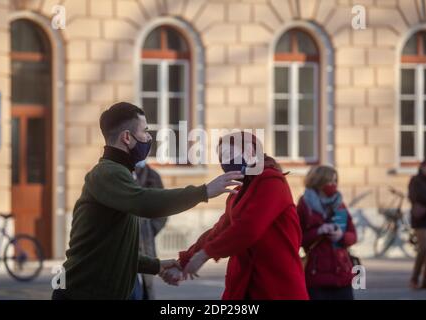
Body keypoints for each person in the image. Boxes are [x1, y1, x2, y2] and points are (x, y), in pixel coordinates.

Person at [51, 102, 243, 300]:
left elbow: (110, 251)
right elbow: (146, 203)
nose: (149, 138)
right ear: (126, 137)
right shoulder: (107, 173)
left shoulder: (119, 173)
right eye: (144, 131)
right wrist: (203, 192)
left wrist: (156, 265)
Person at [162, 131, 309, 300]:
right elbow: (218, 230)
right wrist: (184, 261)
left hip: (276, 287)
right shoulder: (238, 190)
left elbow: (248, 228)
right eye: (221, 158)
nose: (225, 162)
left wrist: (205, 254)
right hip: (244, 286)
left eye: (229, 155)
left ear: (251, 152)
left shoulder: (272, 181)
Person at [297, 165, 357, 300]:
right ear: (319, 182)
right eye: (330, 181)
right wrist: (319, 231)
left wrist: (341, 236)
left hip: (342, 275)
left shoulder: (340, 204)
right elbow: (297, 238)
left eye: (335, 181)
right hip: (317, 278)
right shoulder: (305, 205)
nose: (333, 185)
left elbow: (353, 235)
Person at [130, 161, 167, 300]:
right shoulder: (119, 173)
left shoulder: (152, 175)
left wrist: (150, 229)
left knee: (146, 285)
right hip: (126, 242)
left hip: (145, 240)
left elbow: (163, 210)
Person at [408, 157, 426, 289]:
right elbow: (416, 197)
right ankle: (414, 278)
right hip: (421, 220)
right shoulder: (415, 180)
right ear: (424, 166)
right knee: (424, 249)